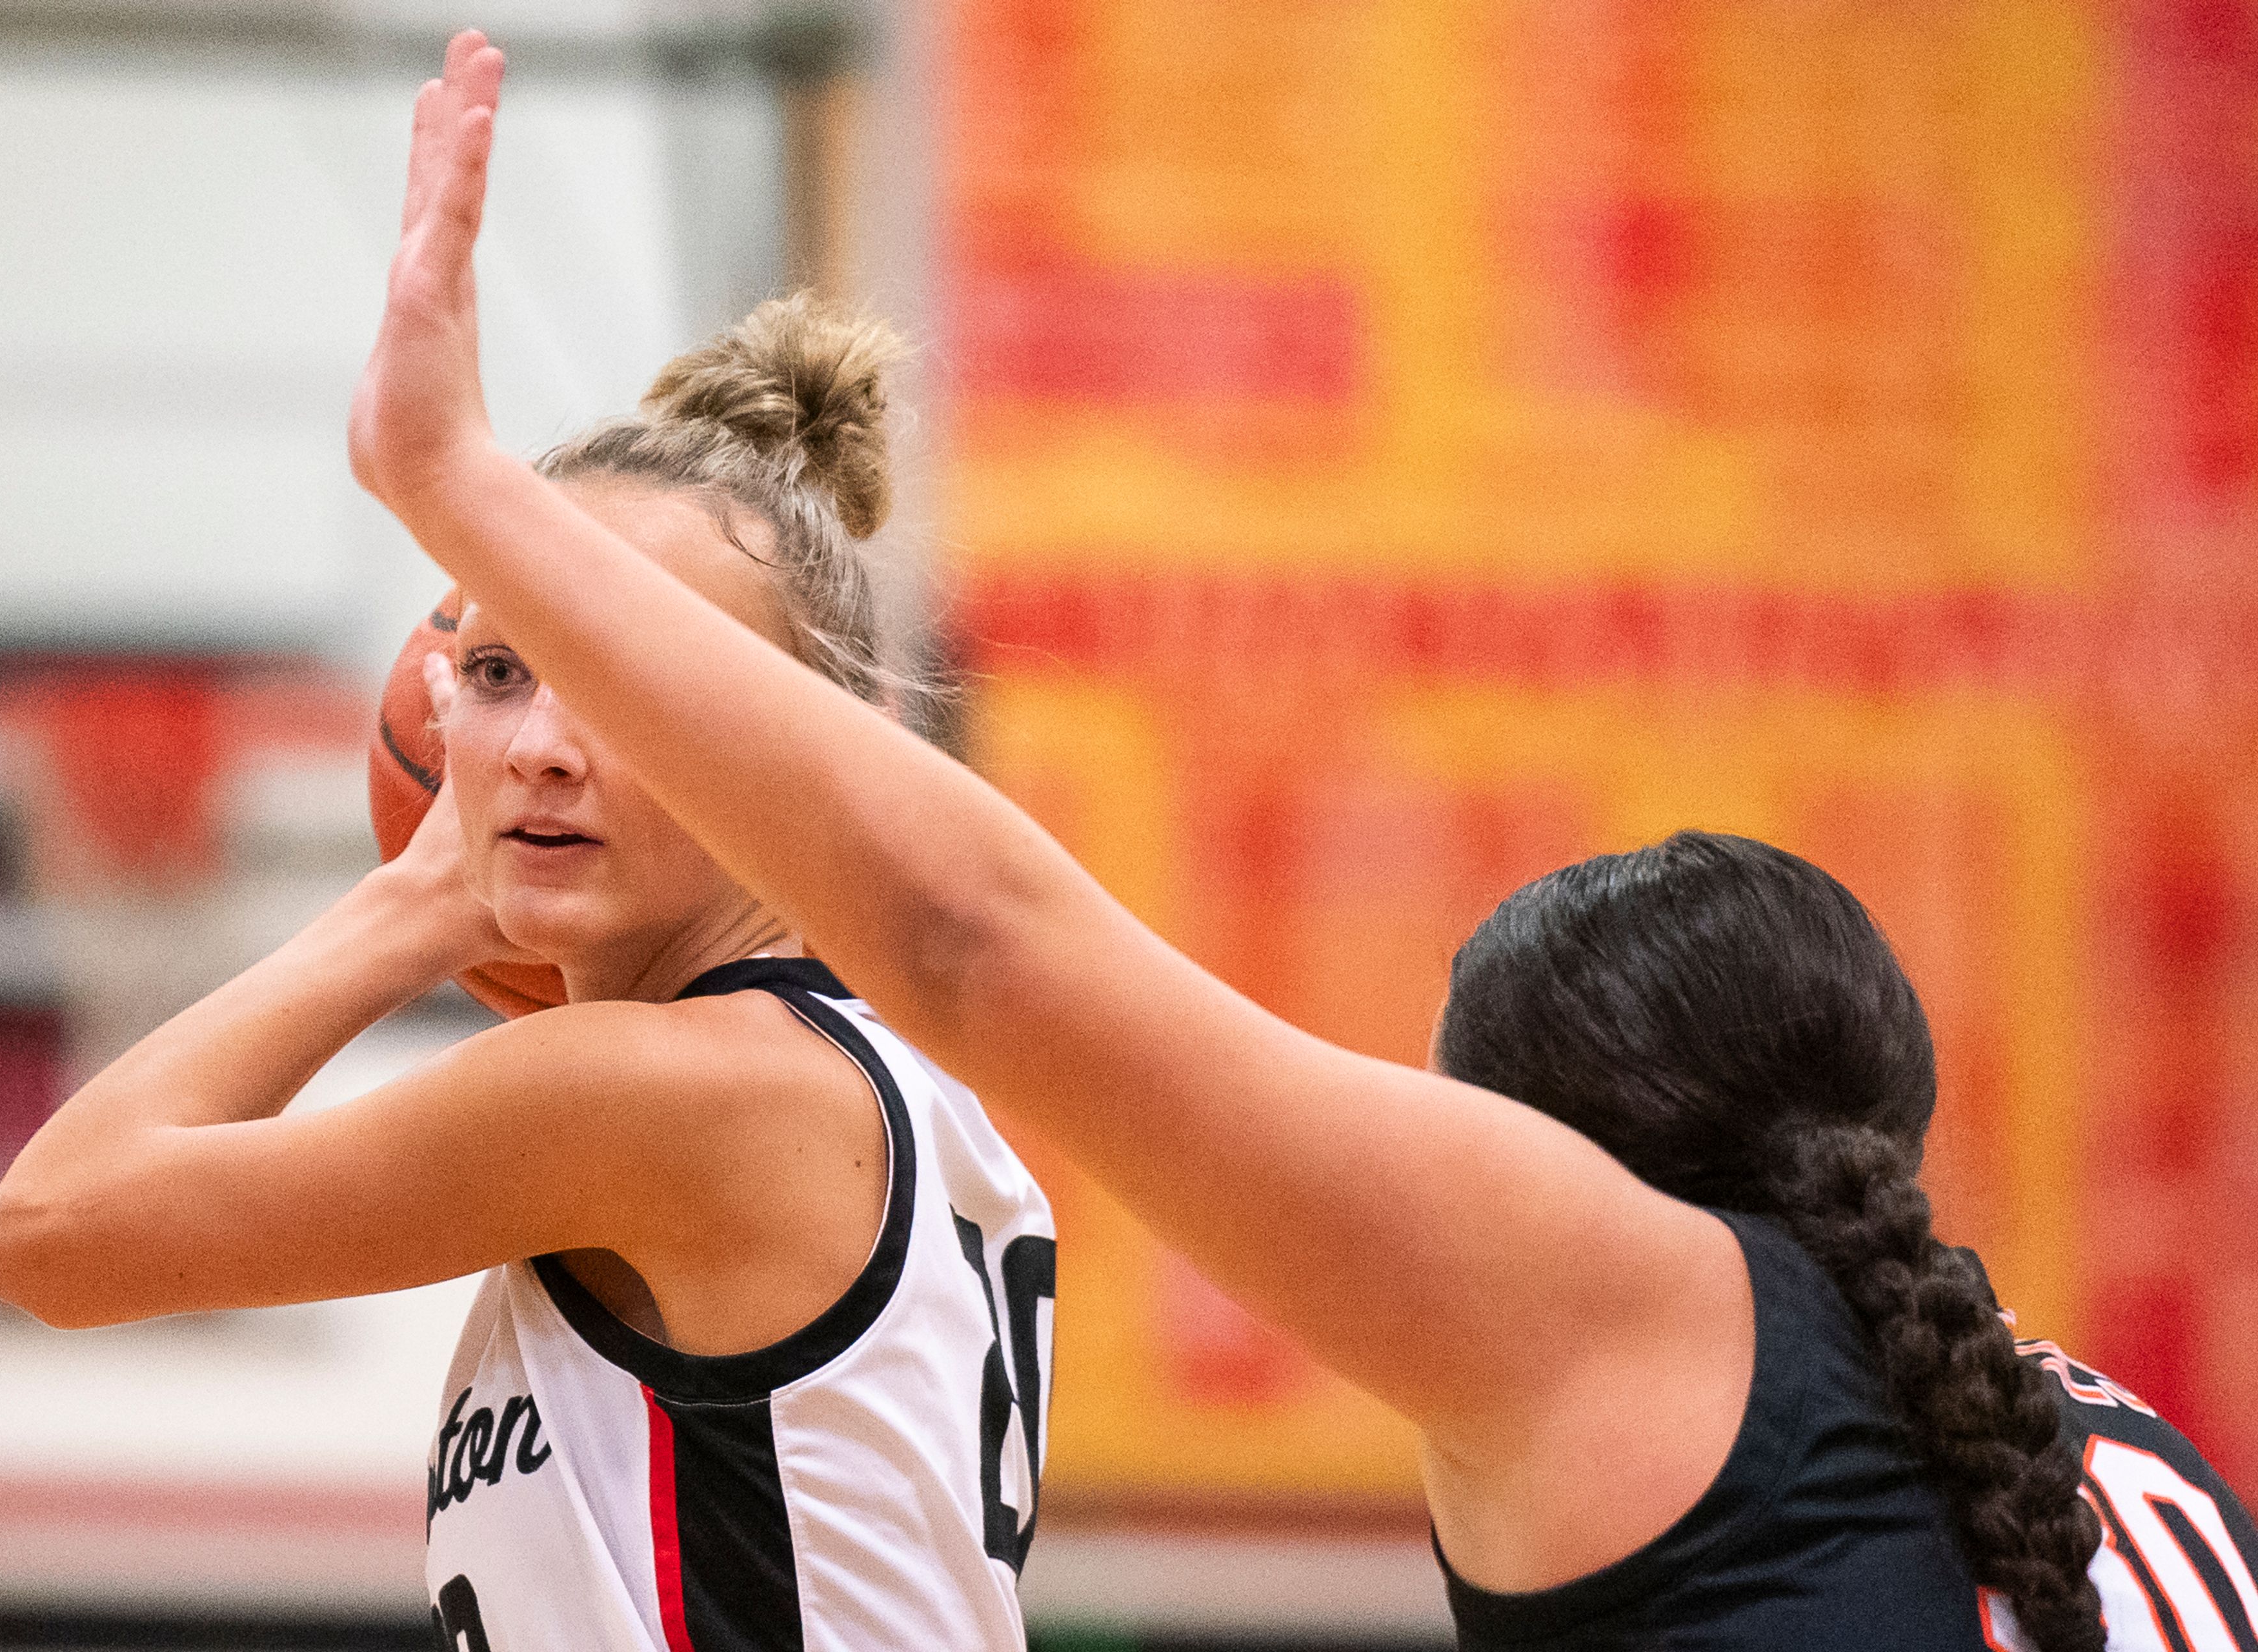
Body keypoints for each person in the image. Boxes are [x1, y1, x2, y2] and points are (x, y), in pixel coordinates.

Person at [345, 30, 2258, 1652]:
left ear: (1533, 1148)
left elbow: (979, 941)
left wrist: (473, 497)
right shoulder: (2123, 1458)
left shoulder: (1614, 1293)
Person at [0, 293, 1057, 1645]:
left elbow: (56, 1233)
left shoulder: (664, 1095)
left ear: (810, 739)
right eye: (497, 669)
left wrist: (410, 903)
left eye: (630, 678)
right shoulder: (873, 1088)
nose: (544, 742)